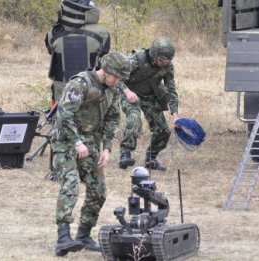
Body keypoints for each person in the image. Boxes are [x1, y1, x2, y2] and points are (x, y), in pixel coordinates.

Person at [50, 52, 131, 256]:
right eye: (117, 77)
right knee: (71, 184)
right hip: (66, 141)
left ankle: (84, 234)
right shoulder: (80, 83)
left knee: (99, 190)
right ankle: (63, 238)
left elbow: (113, 118)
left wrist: (107, 148)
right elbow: (64, 115)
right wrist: (77, 142)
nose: (119, 81)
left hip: (91, 143)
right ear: (107, 71)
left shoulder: (112, 88)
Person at [118, 36, 180, 171]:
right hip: (129, 93)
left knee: (163, 130)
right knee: (134, 120)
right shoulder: (136, 59)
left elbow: (171, 88)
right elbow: (116, 77)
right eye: (162, 60)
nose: (164, 63)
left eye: (167, 61)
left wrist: (174, 114)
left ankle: (151, 158)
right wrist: (127, 92)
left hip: (150, 96)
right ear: (154, 55)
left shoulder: (167, 67)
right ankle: (125, 153)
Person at [45, 0, 111, 102]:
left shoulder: (54, 33)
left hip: (62, 95)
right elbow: (104, 53)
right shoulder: (103, 34)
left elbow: (50, 49)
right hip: (91, 93)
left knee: (59, 117)